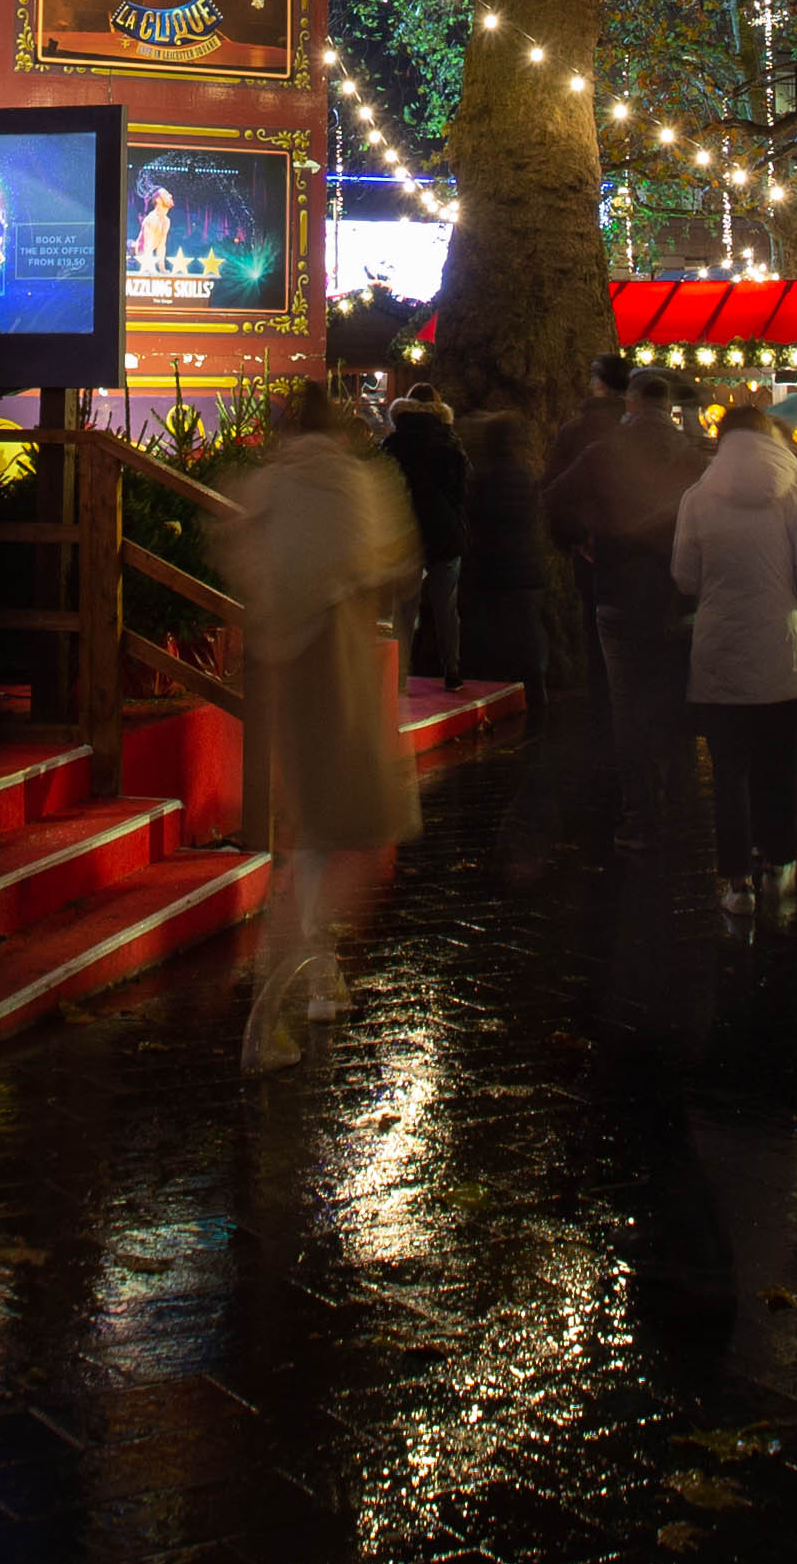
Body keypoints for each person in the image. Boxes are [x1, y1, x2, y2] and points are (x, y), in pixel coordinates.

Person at [232, 376, 424, 1064]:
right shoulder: (351, 481)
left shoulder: (270, 485)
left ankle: (316, 975)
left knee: (317, 833)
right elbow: (393, 556)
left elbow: (244, 555)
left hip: (288, 667)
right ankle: (281, 993)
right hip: (338, 665)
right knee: (351, 831)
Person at [668, 398, 797, 922]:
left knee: (728, 771)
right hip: (780, 648)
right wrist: (790, 607)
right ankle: (779, 862)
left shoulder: (697, 498)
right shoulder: (791, 497)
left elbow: (684, 575)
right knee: (778, 764)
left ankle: (736, 879)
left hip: (719, 648)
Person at [542, 366, 705, 843]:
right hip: (677, 590)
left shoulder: (603, 452)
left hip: (617, 586)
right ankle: (679, 801)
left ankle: (640, 813)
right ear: (666, 406)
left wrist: (580, 541)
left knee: (627, 701)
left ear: (631, 403)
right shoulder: (693, 457)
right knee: (675, 693)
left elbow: (553, 498)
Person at [456, 406, 555, 692]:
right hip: (525, 569)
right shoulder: (524, 474)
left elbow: (474, 521)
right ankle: (535, 689)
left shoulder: (482, 477)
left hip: (493, 572)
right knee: (527, 637)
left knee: (492, 641)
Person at [382, 385, 470, 680]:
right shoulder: (449, 441)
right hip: (444, 530)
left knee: (404, 608)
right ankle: (452, 668)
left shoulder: (394, 443)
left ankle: (400, 675)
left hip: (406, 530)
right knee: (446, 605)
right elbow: (462, 488)